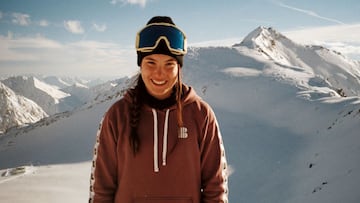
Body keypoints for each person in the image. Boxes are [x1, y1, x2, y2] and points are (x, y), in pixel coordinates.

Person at [89, 16, 228, 203]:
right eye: (151, 63)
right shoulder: (117, 116)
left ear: (178, 67)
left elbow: (216, 189)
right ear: (140, 65)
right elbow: (101, 190)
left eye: (169, 64)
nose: (159, 73)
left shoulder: (201, 115)